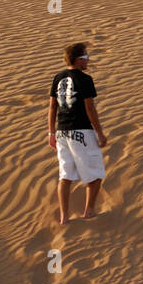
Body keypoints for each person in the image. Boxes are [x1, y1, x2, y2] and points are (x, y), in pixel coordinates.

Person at [48, 42, 108, 224]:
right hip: (81, 131)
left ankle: (64, 216)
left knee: (65, 176)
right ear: (78, 59)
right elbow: (90, 108)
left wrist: (51, 133)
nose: (87, 61)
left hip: (61, 133)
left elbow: (52, 107)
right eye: (86, 57)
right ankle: (89, 212)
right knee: (96, 175)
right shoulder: (85, 79)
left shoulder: (58, 78)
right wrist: (100, 132)